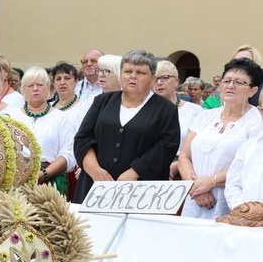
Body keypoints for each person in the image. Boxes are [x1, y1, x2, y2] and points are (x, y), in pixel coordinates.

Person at [73, 50, 180, 204]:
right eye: (128, 71)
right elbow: (83, 138)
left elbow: (166, 146)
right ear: (121, 74)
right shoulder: (102, 102)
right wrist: (94, 170)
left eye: (141, 72)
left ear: (152, 78)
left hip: (140, 191)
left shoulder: (165, 109)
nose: (133, 76)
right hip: (95, 186)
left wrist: (135, 172)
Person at [177, 58, 263, 220]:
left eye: (239, 82)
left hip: (231, 199)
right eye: (227, 81)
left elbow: (251, 166)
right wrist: (195, 187)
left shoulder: (257, 121)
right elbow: (185, 156)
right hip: (194, 197)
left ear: (253, 91)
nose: (230, 86)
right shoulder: (205, 116)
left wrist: (211, 181)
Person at [9, 67, 76, 197]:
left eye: (40, 85)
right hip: (17, 182)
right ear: (23, 91)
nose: (35, 89)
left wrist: (43, 174)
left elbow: (67, 155)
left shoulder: (61, 118)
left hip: (52, 183)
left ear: (49, 90)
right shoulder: (11, 117)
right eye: (30, 85)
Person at [153, 60, 202, 179]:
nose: (159, 82)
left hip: (183, 172)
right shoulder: (144, 110)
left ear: (176, 81)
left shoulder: (195, 111)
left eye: (164, 77)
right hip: (150, 171)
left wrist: (179, 163)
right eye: (155, 78)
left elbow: (201, 146)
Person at [51, 61, 91, 131]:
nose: (62, 82)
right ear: (54, 83)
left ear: (76, 81)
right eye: (58, 79)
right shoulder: (48, 108)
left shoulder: (85, 108)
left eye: (67, 78)